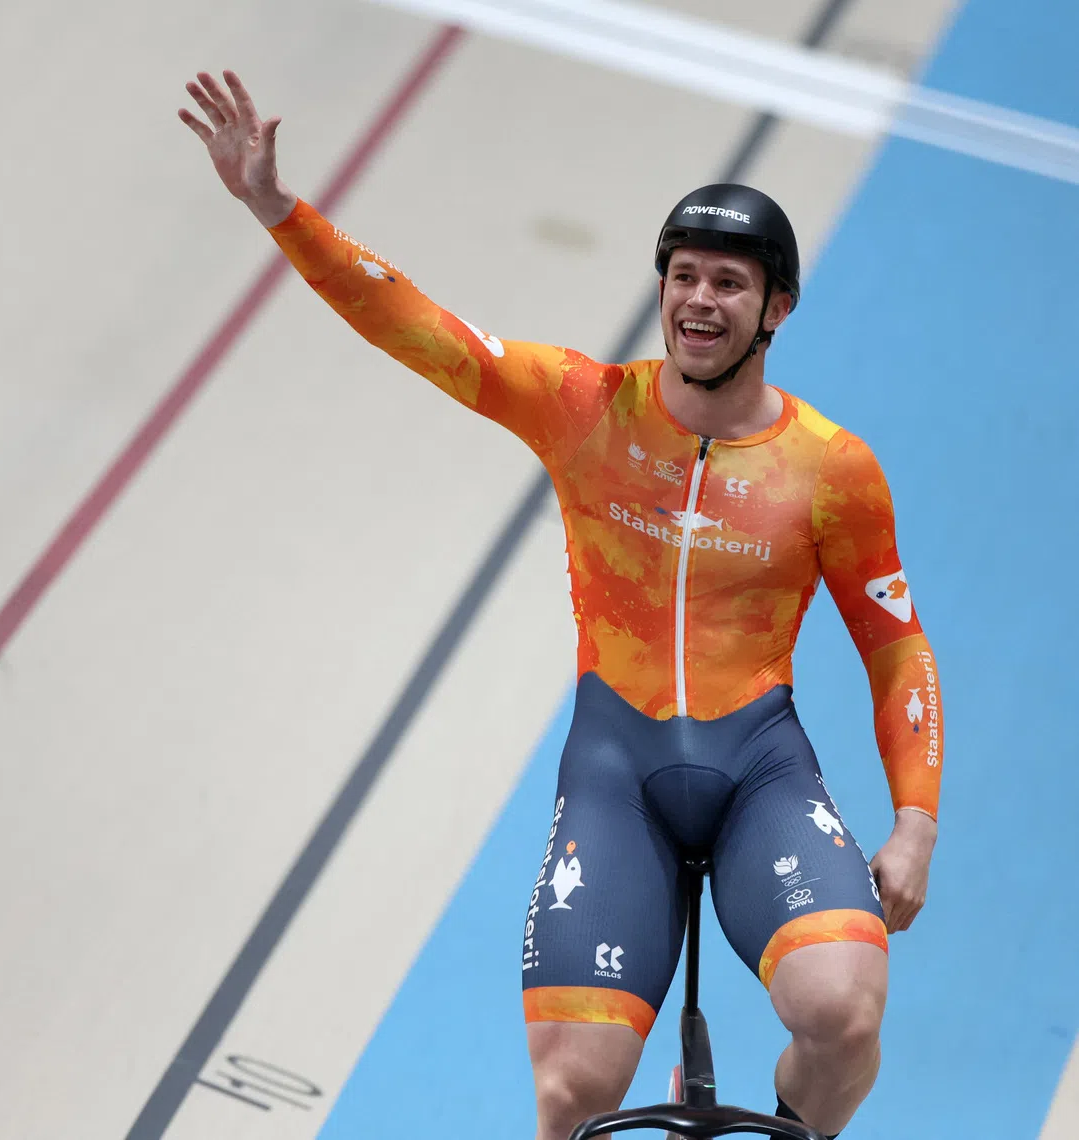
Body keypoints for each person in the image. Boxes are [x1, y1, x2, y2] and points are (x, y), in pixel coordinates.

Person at [179, 70, 943, 1139]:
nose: (699, 301)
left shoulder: (831, 469)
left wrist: (912, 824)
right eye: (683, 276)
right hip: (616, 773)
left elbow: (896, 645)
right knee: (571, 1094)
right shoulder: (584, 406)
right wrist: (277, 209)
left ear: (776, 308)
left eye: (729, 282)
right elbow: (415, 326)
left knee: (845, 1015)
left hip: (757, 768)